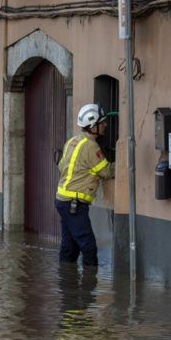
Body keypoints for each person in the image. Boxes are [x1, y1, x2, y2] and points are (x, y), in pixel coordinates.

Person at [55, 103, 116, 267]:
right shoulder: (91, 146)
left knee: (69, 247)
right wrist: (123, 162)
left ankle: (67, 284)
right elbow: (106, 172)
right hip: (74, 204)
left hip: (63, 201)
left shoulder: (72, 141)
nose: (105, 125)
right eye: (102, 122)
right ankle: (89, 286)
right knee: (88, 247)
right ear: (92, 126)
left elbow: (61, 166)